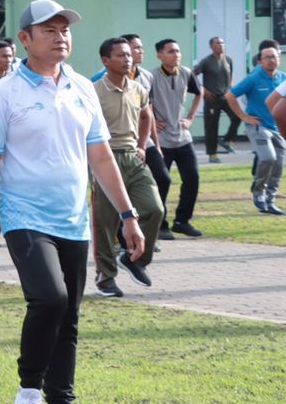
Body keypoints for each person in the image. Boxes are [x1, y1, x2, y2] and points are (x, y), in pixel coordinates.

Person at [0, 0, 147, 404]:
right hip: (24, 215)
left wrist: (128, 215)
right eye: (49, 29)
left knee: (69, 315)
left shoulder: (83, 87)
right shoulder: (3, 94)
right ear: (25, 39)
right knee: (50, 298)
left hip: (73, 217)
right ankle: (28, 393)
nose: (61, 36)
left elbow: (101, 157)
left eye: (65, 29)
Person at [88, 37, 161, 298]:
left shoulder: (138, 89)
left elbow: (146, 116)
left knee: (154, 208)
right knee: (104, 221)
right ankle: (105, 278)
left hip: (132, 156)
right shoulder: (94, 91)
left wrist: (143, 145)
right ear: (106, 61)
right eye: (120, 55)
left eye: (129, 54)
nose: (127, 59)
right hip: (104, 156)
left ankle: (135, 260)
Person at [149, 39, 204, 239]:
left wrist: (190, 118)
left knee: (192, 178)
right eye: (171, 51)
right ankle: (160, 224)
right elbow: (141, 102)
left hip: (182, 137)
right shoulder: (151, 77)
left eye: (178, 51)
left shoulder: (186, 73)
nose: (176, 55)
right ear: (159, 55)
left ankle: (182, 221)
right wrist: (152, 122)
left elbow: (199, 93)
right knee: (161, 181)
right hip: (161, 139)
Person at [225, 43, 286, 214]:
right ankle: (258, 193)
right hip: (258, 126)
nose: (272, 60)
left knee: (279, 164)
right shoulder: (254, 78)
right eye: (268, 57)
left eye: (275, 57)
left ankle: (270, 200)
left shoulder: (282, 78)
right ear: (260, 61)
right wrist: (244, 117)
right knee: (268, 158)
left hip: (277, 128)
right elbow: (230, 95)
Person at [194, 36, 240, 161]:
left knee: (237, 117)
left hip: (225, 97)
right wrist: (203, 90)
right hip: (212, 99)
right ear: (211, 46)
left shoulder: (228, 60)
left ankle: (227, 140)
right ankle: (212, 154)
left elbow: (231, 75)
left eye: (222, 43)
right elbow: (192, 75)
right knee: (212, 126)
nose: (221, 45)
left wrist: (231, 88)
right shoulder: (206, 61)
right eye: (218, 43)